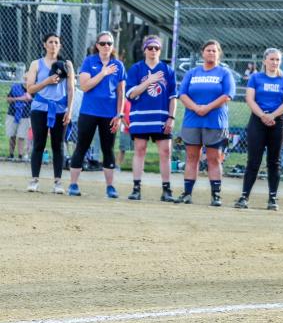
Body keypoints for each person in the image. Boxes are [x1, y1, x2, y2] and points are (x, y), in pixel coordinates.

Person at [175, 40, 236, 206]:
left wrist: (207, 108)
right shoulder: (192, 73)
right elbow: (183, 94)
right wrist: (196, 108)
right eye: (208, 50)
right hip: (193, 120)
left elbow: (227, 95)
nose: (211, 53)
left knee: (214, 159)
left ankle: (216, 195)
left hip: (215, 121)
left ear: (219, 54)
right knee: (191, 157)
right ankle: (187, 193)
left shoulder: (224, 73)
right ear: (203, 53)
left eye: (214, 51)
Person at [68, 31, 126, 198]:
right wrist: (103, 73)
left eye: (109, 43)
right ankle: (73, 184)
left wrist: (119, 114)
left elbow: (121, 92)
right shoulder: (89, 61)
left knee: (108, 149)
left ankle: (110, 187)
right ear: (97, 46)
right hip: (89, 112)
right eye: (102, 43)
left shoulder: (118, 65)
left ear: (112, 46)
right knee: (82, 146)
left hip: (109, 114)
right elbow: (84, 86)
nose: (106, 46)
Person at [234, 48, 283, 210]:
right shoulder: (255, 78)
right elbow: (250, 99)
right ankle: (244, 196)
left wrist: (272, 116)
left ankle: (272, 199)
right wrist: (263, 116)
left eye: (277, 60)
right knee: (253, 160)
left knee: (274, 161)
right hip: (258, 121)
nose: (275, 63)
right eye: (272, 59)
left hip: (277, 122)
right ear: (265, 61)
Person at [125, 35, 177, 202]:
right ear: (144, 50)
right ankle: (136, 188)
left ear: (160, 50)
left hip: (161, 117)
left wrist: (171, 117)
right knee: (140, 150)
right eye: (150, 48)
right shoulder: (136, 69)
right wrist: (149, 81)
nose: (153, 51)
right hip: (141, 117)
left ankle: (166, 190)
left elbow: (172, 97)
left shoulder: (168, 70)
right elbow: (131, 94)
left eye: (156, 48)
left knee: (165, 152)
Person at [25, 33, 74, 193]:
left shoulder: (67, 64)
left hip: (60, 109)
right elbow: (30, 88)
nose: (53, 45)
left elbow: (70, 89)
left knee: (58, 145)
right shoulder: (36, 64)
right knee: (39, 143)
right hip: (40, 107)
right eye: (50, 42)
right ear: (44, 45)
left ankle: (58, 182)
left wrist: (70, 110)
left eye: (56, 42)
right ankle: (34, 180)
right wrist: (47, 81)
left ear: (60, 45)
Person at [7, 80, 32, 160]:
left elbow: (33, 99)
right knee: (12, 135)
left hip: (25, 116)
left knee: (22, 136)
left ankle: (20, 156)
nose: (26, 81)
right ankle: (11, 155)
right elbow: (8, 99)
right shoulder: (15, 87)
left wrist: (29, 98)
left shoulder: (32, 89)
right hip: (12, 114)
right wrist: (21, 98)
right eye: (25, 78)